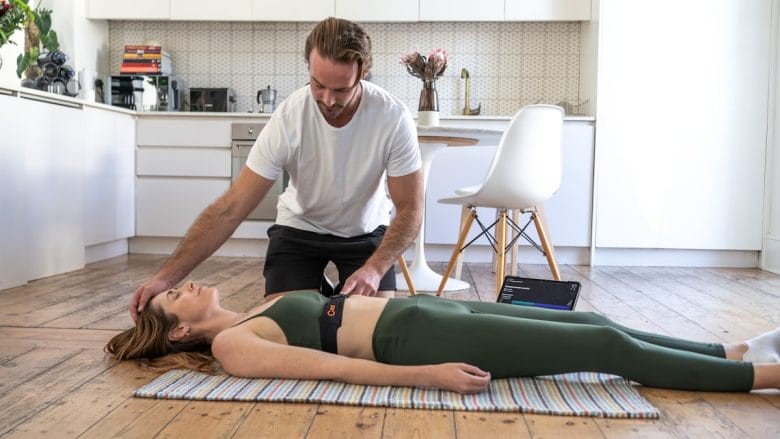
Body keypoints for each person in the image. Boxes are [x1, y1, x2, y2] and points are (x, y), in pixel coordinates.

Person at [129, 17, 424, 321]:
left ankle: (326, 293)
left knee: (370, 326)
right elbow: (231, 209)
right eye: (318, 85)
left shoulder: (392, 117)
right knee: (291, 324)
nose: (327, 100)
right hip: (300, 228)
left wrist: (375, 270)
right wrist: (165, 278)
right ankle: (316, 290)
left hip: (365, 232)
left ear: (362, 74)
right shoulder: (289, 117)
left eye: (341, 90)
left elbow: (411, 208)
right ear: (308, 67)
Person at [107, 280, 780, 394]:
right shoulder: (232, 345)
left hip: (426, 311)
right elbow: (328, 368)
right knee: (602, 355)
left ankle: (723, 352)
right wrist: (421, 377)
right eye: (175, 296)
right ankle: (761, 378)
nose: (185, 285)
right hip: (412, 344)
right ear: (183, 327)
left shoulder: (259, 304)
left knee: (591, 322)